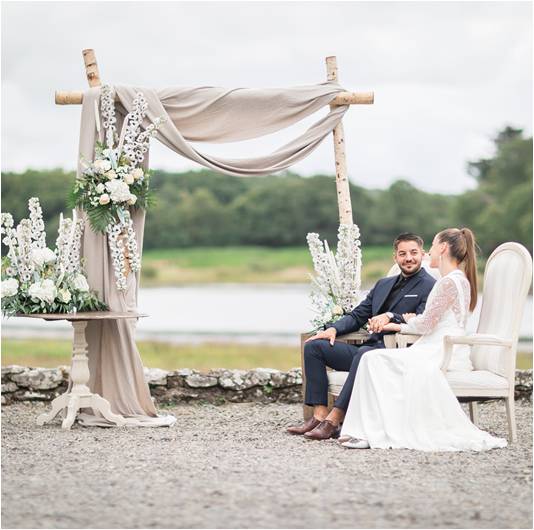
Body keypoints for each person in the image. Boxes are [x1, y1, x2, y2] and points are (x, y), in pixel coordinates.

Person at [339, 228, 507, 451]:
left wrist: (404, 321)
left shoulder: (447, 283)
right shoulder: (458, 280)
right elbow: (430, 321)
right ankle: (371, 430)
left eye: (433, 245)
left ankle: (373, 432)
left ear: (443, 248)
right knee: (373, 359)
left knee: (372, 360)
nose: (428, 251)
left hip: (442, 351)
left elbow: (426, 324)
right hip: (442, 346)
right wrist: (407, 320)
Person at [287, 233, 436, 440]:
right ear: (395, 257)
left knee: (364, 354)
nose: (408, 258)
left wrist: (395, 317)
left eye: (413, 253)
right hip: (367, 348)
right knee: (314, 347)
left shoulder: (430, 285)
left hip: (395, 353)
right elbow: (358, 315)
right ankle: (319, 416)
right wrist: (333, 329)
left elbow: (422, 321)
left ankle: (335, 419)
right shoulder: (383, 284)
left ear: (422, 254)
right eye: (403, 254)